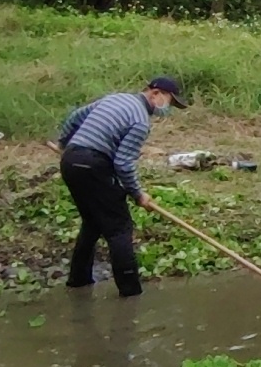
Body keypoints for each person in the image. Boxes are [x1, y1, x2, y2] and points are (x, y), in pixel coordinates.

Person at [56, 76, 187, 297]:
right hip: (94, 165)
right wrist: (137, 194)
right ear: (155, 93)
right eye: (169, 101)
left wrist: (64, 143)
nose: (167, 108)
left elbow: (75, 117)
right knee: (119, 228)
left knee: (92, 222)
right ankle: (130, 292)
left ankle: (78, 281)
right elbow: (123, 163)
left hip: (70, 161)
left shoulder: (116, 99)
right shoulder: (140, 121)